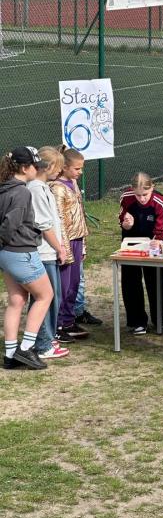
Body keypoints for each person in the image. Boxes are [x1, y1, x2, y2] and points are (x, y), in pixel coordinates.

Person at [1, 147, 53, 370]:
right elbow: (10, 225)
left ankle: (10, 354)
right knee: (45, 295)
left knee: (16, 300)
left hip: (5, 255)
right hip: (20, 252)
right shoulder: (22, 192)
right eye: (35, 165)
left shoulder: (3, 189)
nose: (37, 169)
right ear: (24, 168)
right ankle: (26, 348)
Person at [26, 146, 69, 359]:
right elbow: (44, 225)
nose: (60, 173)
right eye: (58, 168)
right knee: (45, 299)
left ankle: (47, 337)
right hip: (43, 253)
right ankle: (43, 342)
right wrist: (59, 248)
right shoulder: (36, 189)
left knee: (53, 297)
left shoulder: (42, 187)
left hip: (48, 252)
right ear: (49, 166)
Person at [119, 172, 163, 335]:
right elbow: (122, 219)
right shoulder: (126, 198)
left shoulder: (159, 201)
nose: (142, 198)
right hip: (131, 244)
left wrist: (158, 240)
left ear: (152, 188)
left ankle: (161, 318)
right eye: (138, 195)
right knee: (130, 280)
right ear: (132, 190)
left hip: (153, 244)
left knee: (156, 279)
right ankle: (137, 321)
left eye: (145, 195)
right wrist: (126, 224)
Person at [50, 148, 90, 340]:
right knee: (63, 286)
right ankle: (57, 325)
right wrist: (63, 248)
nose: (80, 172)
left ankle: (68, 320)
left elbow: (80, 213)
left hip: (77, 239)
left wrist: (83, 244)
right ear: (64, 167)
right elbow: (59, 220)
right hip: (65, 243)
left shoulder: (73, 183)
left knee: (74, 283)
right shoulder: (57, 188)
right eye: (77, 168)